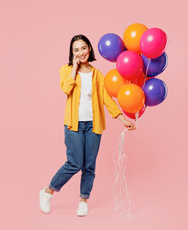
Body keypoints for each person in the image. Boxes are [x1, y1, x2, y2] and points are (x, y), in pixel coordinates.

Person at [39, 34, 136, 217]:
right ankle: (48, 192)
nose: (80, 52)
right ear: (72, 53)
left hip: (94, 125)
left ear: (89, 49)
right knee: (74, 163)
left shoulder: (97, 74)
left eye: (83, 48)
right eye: (76, 50)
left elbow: (106, 99)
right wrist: (74, 70)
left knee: (89, 166)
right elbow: (66, 89)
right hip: (74, 126)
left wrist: (122, 119)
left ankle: (83, 199)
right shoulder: (66, 70)